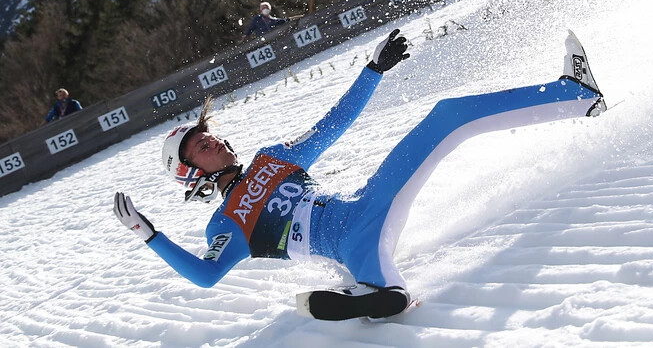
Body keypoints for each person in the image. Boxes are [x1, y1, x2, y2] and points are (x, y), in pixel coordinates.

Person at [113, 29, 606, 321]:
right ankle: (377, 293)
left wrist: (372, 70)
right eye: (203, 145)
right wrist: (149, 234)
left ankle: (377, 294)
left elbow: (332, 127)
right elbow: (205, 276)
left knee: (447, 116)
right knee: (387, 284)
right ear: (191, 173)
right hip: (351, 245)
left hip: (367, 208)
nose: (215, 141)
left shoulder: (271, 158)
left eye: (211, 136)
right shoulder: (224, 226)